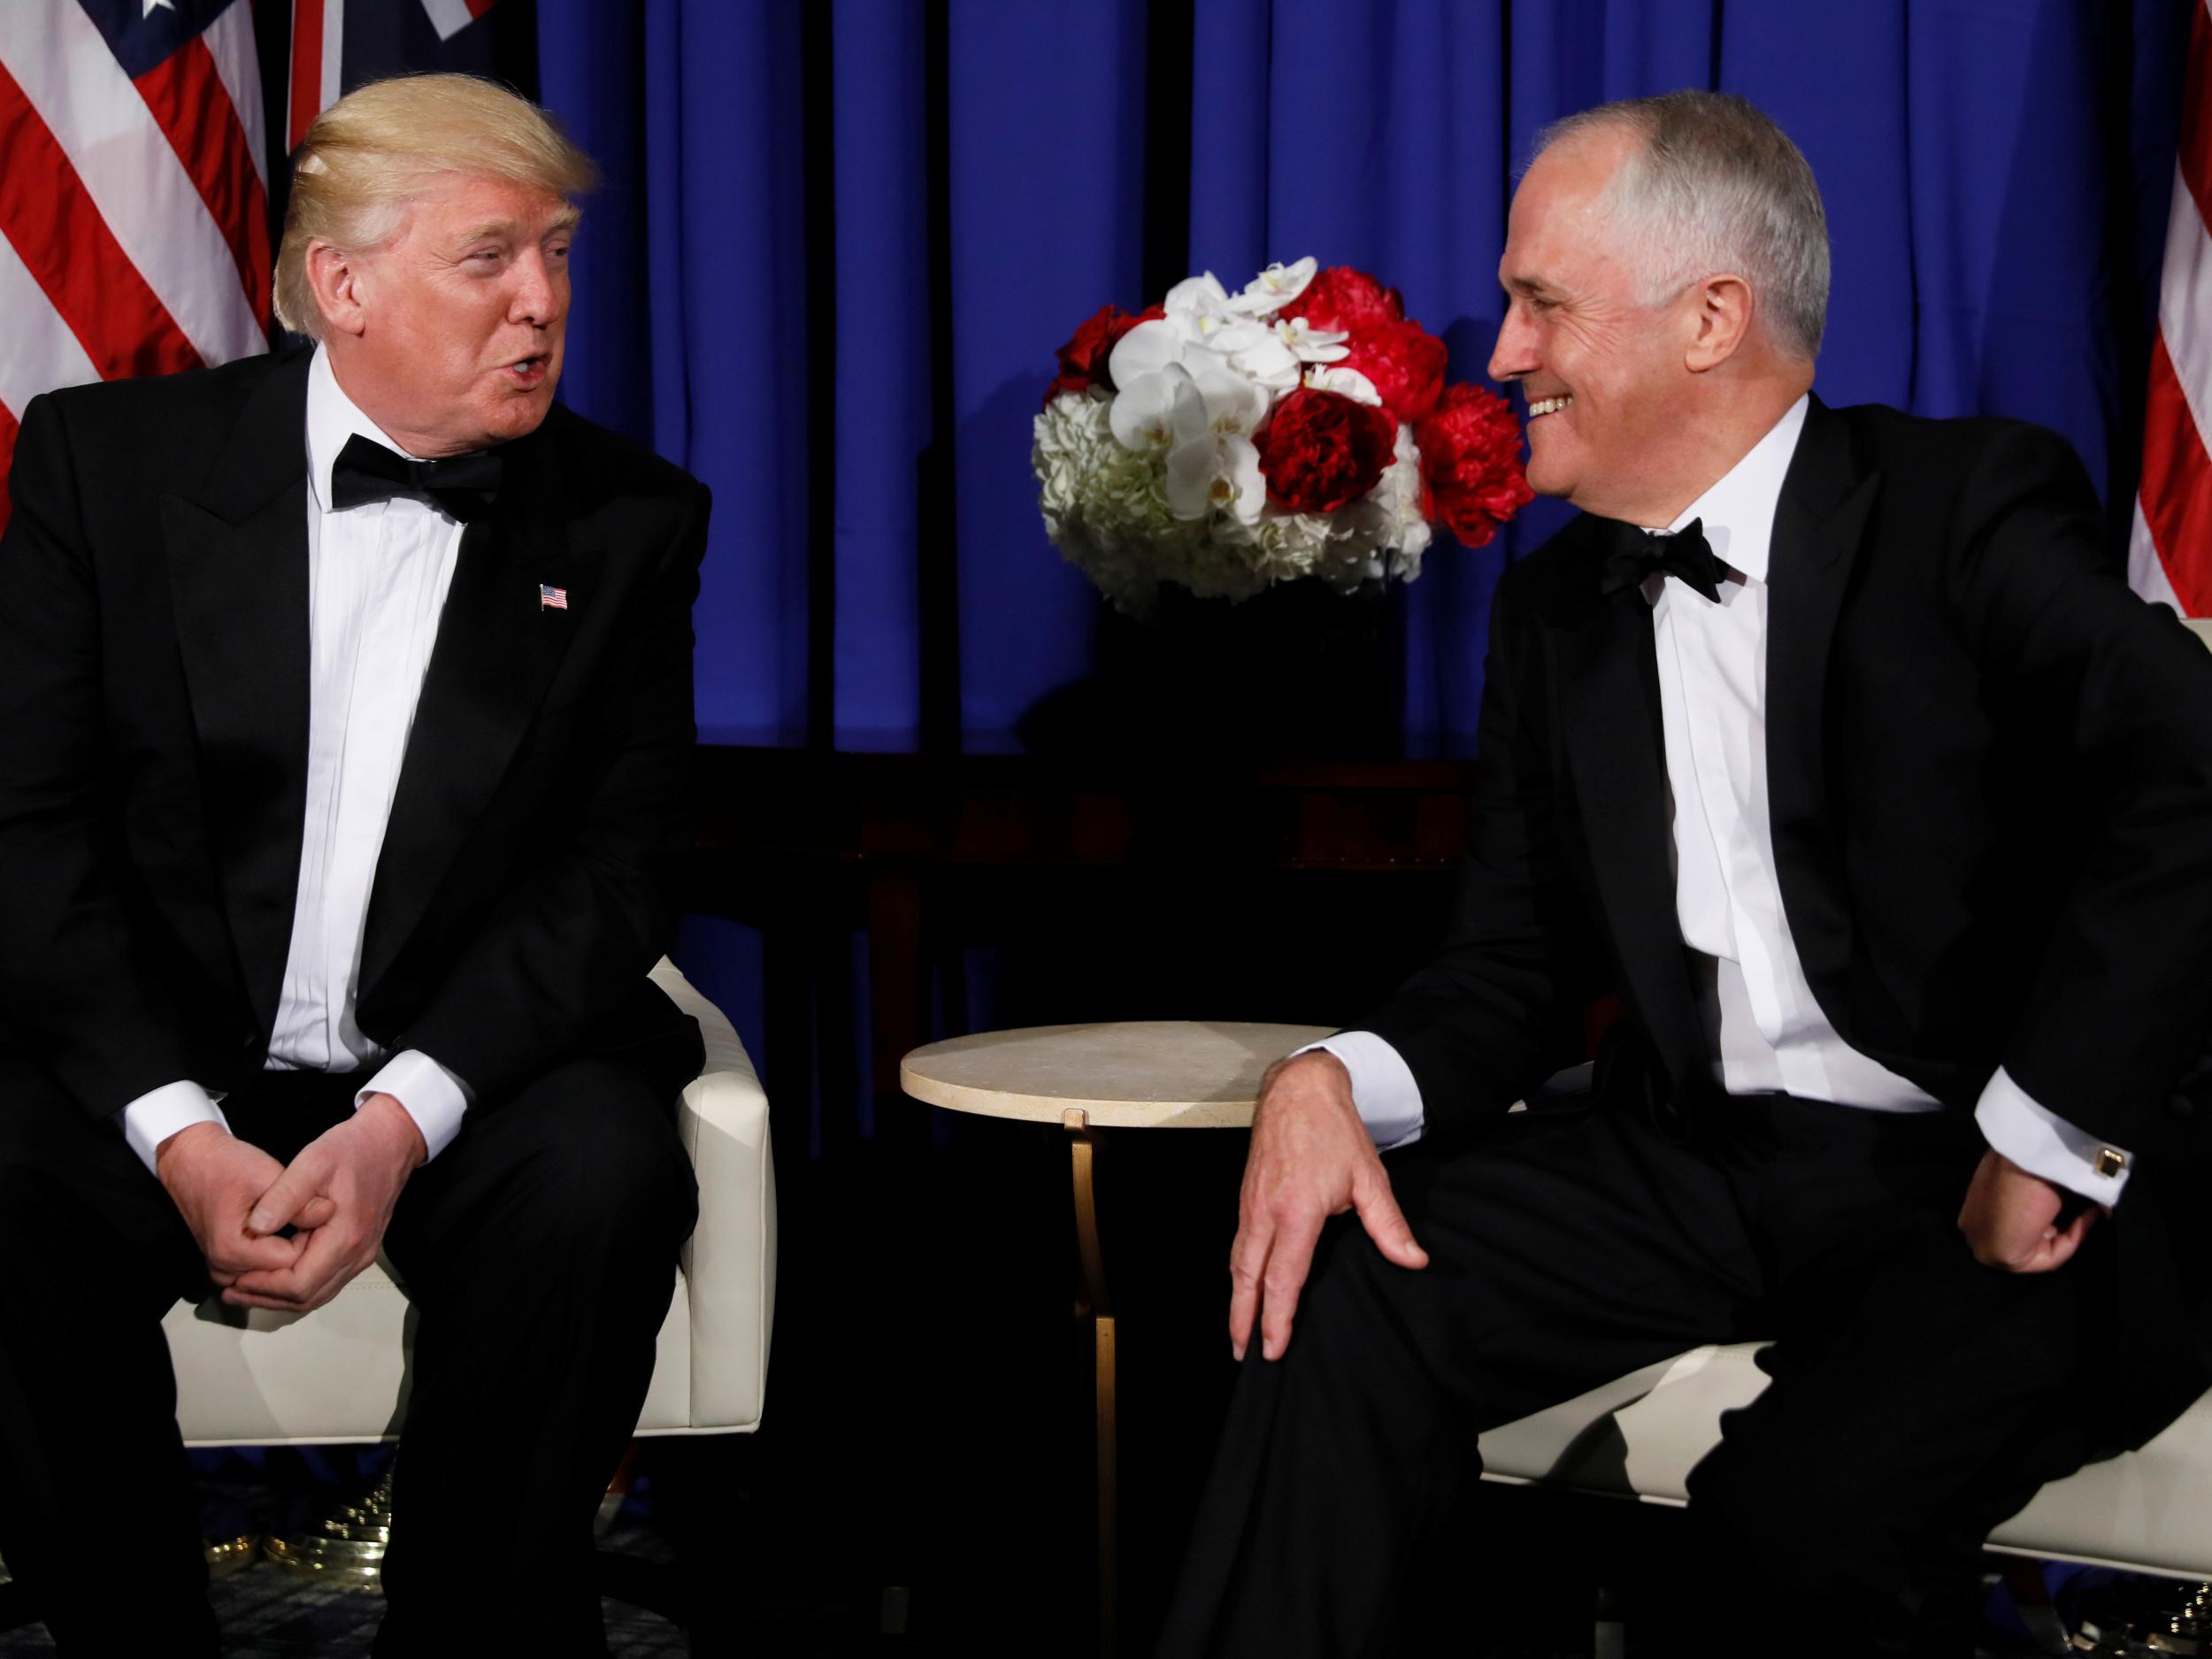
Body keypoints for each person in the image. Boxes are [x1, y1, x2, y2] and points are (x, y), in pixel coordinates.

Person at [1158, 90, 2212, 1658]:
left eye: (1542, 304)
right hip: (1697, 1162)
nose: (1504, 354)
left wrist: (2049, 1128)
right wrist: (1329, 1081)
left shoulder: (1964, 508)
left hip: (1989, 1165)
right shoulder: (1556, 610)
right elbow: (1507, 969)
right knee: (1336, 1293)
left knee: (1796, 1523)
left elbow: (2193, 766)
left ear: (1713, 317)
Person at [0, 75, 710, 1657]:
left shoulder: (627, 523)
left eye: (558, 253)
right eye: (490, 257)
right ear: (343, 286)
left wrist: (400, 1123)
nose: (544, 302)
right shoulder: (102, 467)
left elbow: (615, 873)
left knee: (601, 1172)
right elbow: (26, 835)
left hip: (459, 1055)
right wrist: (182, 1138)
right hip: (164, 1045)